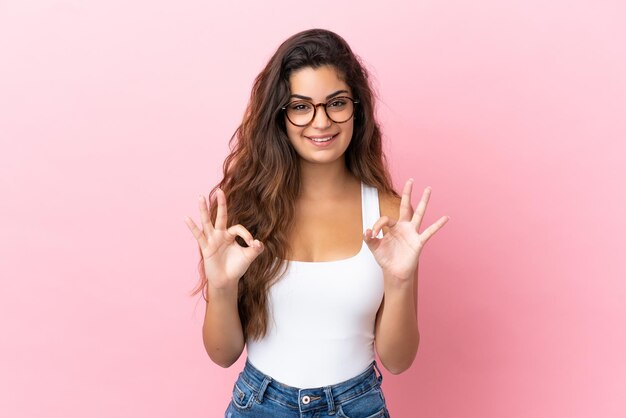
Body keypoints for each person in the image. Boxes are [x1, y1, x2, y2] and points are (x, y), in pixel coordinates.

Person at [184, 28, 449, 418]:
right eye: (301, 106)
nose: (321, 122)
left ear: (356, 108)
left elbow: (397, 361)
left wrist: (401, 280)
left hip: (356, 407)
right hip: (259, 406)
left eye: (336, 103)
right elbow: (223, 355)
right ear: (281, 115)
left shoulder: (390, 216)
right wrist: (221, 287)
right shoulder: (244, 213)